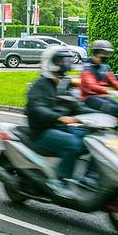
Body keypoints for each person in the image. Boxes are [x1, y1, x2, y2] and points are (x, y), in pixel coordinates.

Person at [26, 46, 96, 198]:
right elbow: (37, 109)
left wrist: (98, 115)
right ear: (51, 62)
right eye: (60, 60)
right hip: (42, 131)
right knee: (73, 143)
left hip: (61, 128)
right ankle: (59, 180)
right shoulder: (40, 85)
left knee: (92, 138)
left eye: (66, 60)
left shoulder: (64, 84)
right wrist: (60, 118)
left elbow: (76, 106)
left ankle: (89, 177)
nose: (65, 64)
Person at [80, 40, 118, 117]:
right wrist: (109, 91)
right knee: (115, 109)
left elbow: (114, 82)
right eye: (103, 53)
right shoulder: (87, 67)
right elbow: (92, 85)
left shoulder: (105, 67)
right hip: (89, 98)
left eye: (107, 53)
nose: (105, 56)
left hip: (103, 97)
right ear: (96, 53)